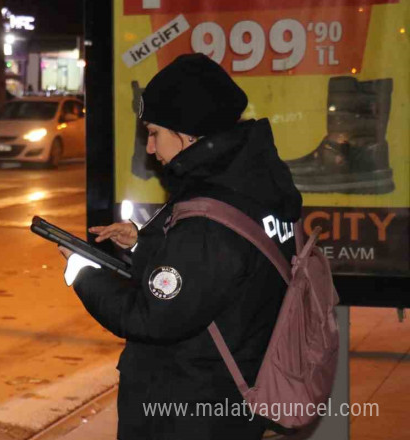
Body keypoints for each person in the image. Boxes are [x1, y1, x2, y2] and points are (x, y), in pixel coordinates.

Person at [58, 53, 302, 439]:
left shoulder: (209, 215)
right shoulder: (255, 183)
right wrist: (143, 244)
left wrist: (82, 271)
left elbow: (152, 317)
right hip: (233, 389)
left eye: (154, 133)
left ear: (188, 133)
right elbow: (215, 273)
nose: (151, 148)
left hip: (189, 409)